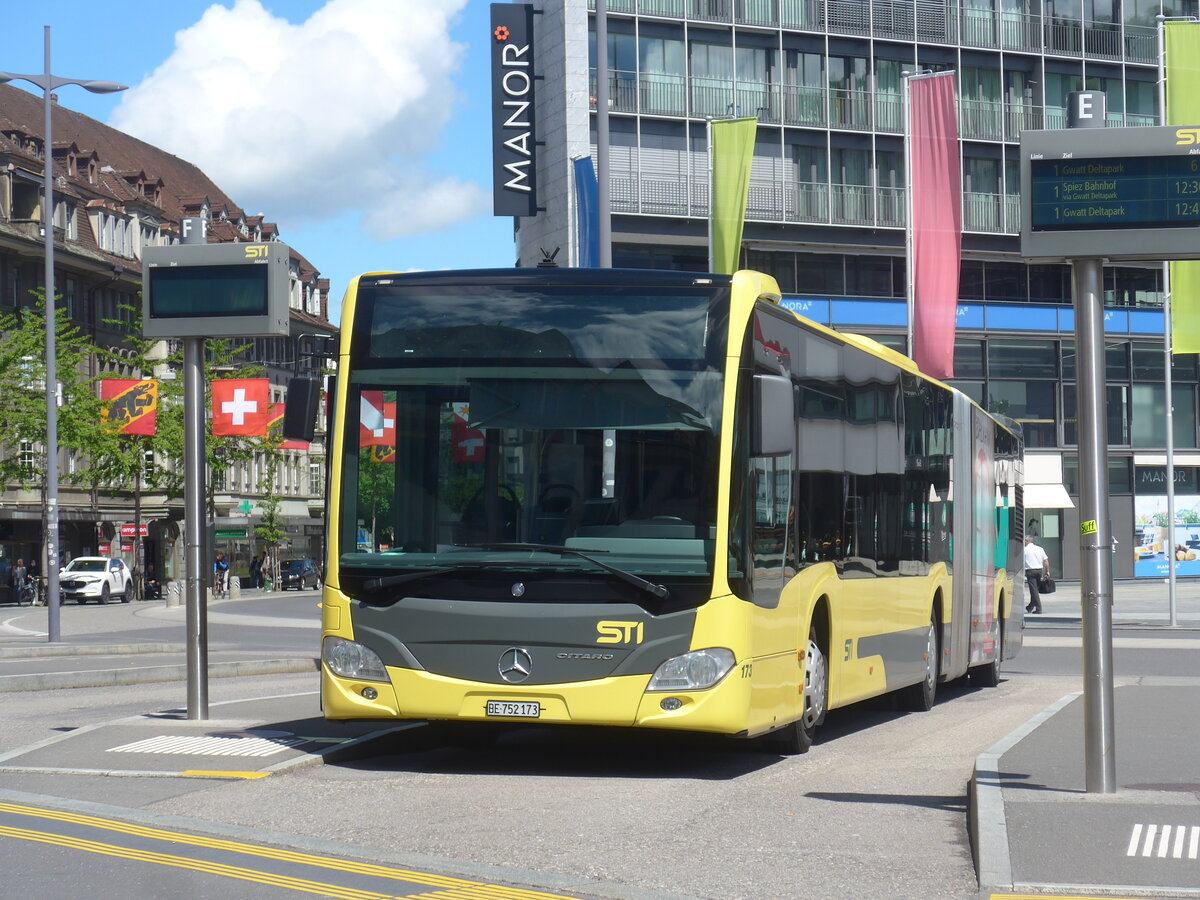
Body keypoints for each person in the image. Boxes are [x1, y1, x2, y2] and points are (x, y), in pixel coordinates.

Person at [1024, 536, 1050, 614]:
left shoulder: (1025, 550)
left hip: (1030, 571)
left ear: (1027, 541)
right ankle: (1030, 607)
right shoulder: (1040, 549)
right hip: (1039, 571)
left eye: (1024, 541)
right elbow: (1045, 561)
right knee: (1035, 589)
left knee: (1033, 590)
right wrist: (1047, 571)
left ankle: (1039, 608)